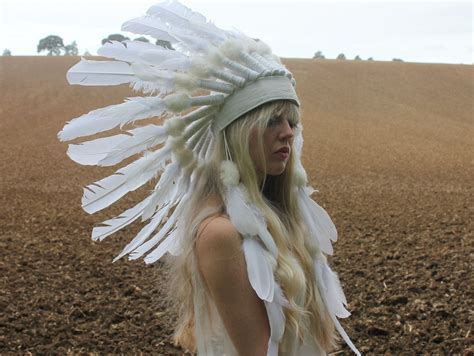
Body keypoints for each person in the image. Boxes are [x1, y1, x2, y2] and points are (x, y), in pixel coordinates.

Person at [58, 1, 360, 355]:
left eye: (292, 122)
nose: (288, 133)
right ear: (238, 132)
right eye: (272, 121)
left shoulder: (279, 218)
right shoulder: (221, 233)